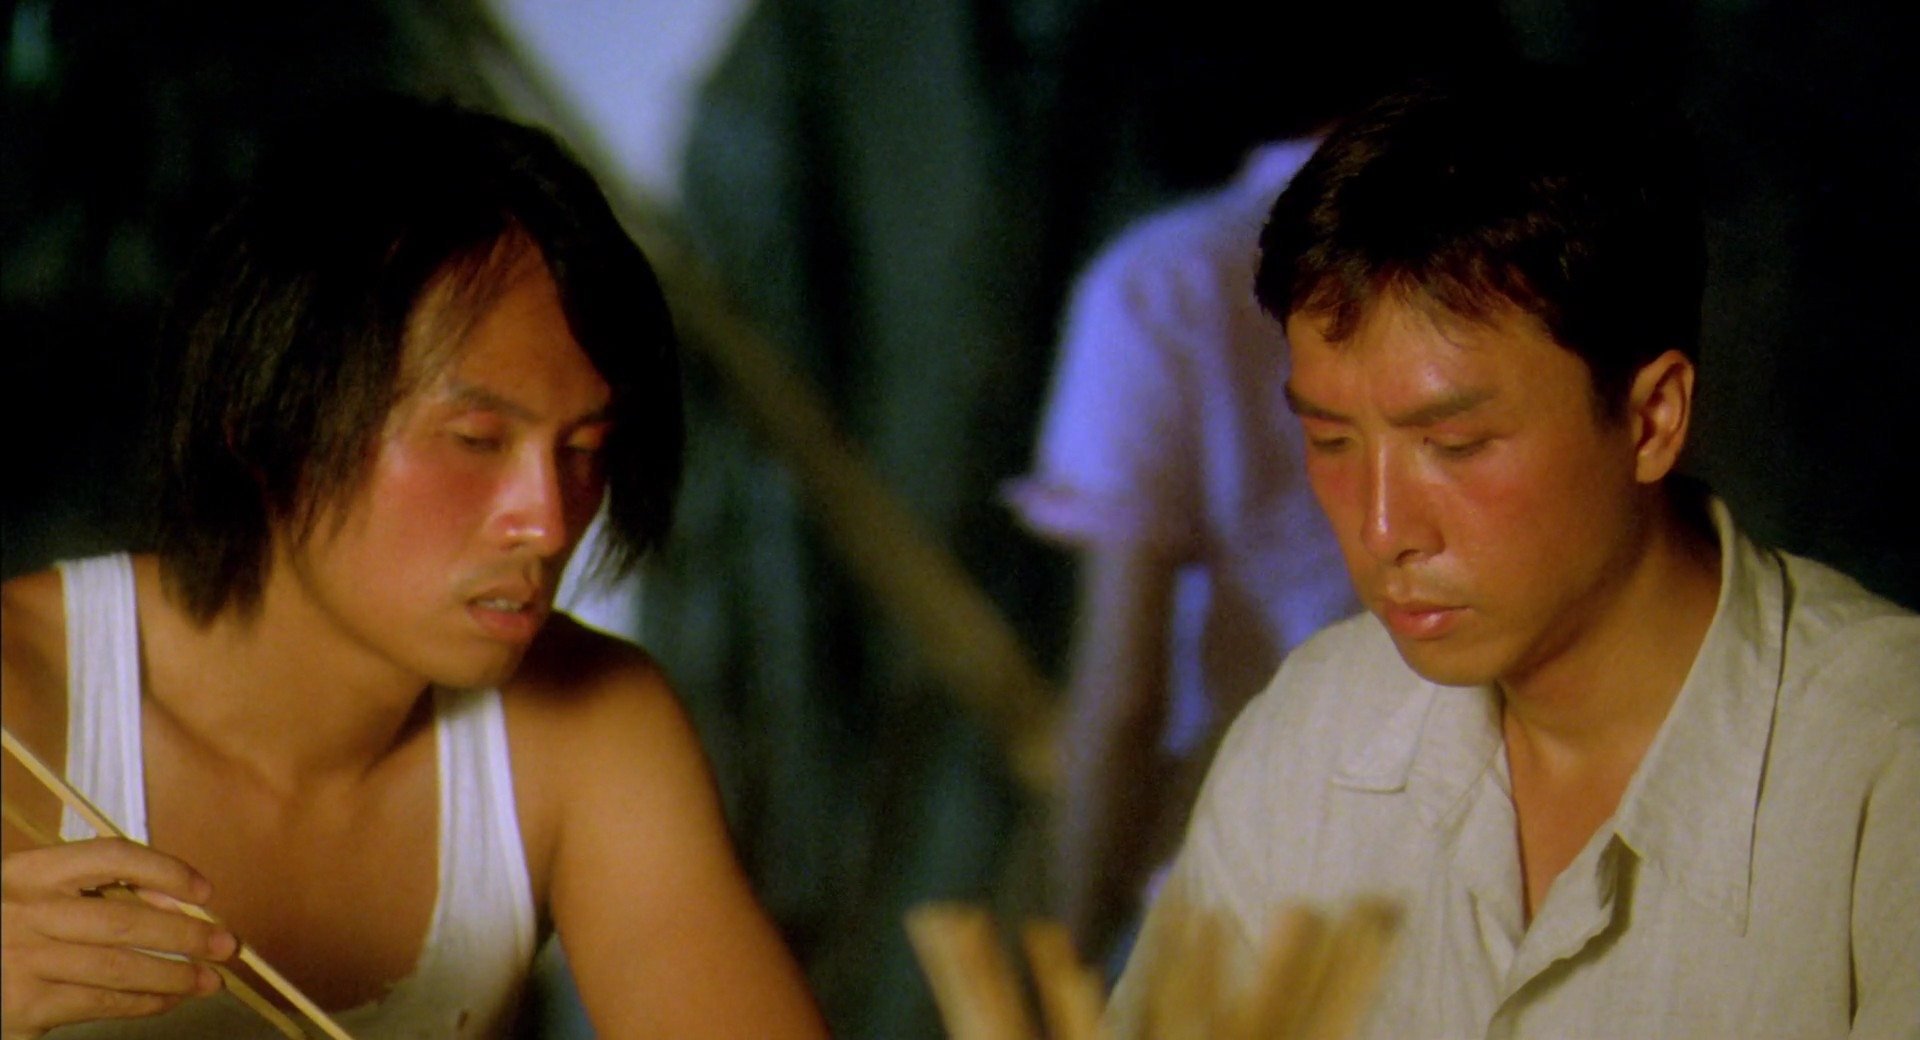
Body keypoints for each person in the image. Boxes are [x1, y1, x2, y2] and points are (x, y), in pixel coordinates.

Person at [1106, 65, 1919, 1037]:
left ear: (1652, 417)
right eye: (1330, 440)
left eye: (1454, 445)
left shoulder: (1882, 766)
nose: (1383, 529)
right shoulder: (1315, 736)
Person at [0, 96, 828, 1039]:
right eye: (476, 440)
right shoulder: (22, 703)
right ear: (268, 424)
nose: (548, 522)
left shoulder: (585, 728)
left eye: (583, 450)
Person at [1004, 5, 1508, 966]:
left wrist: (1075, 949)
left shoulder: (1164, 287)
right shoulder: (1516, 268)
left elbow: (1126, 692)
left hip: (1254, 898)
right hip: (1494, 857)